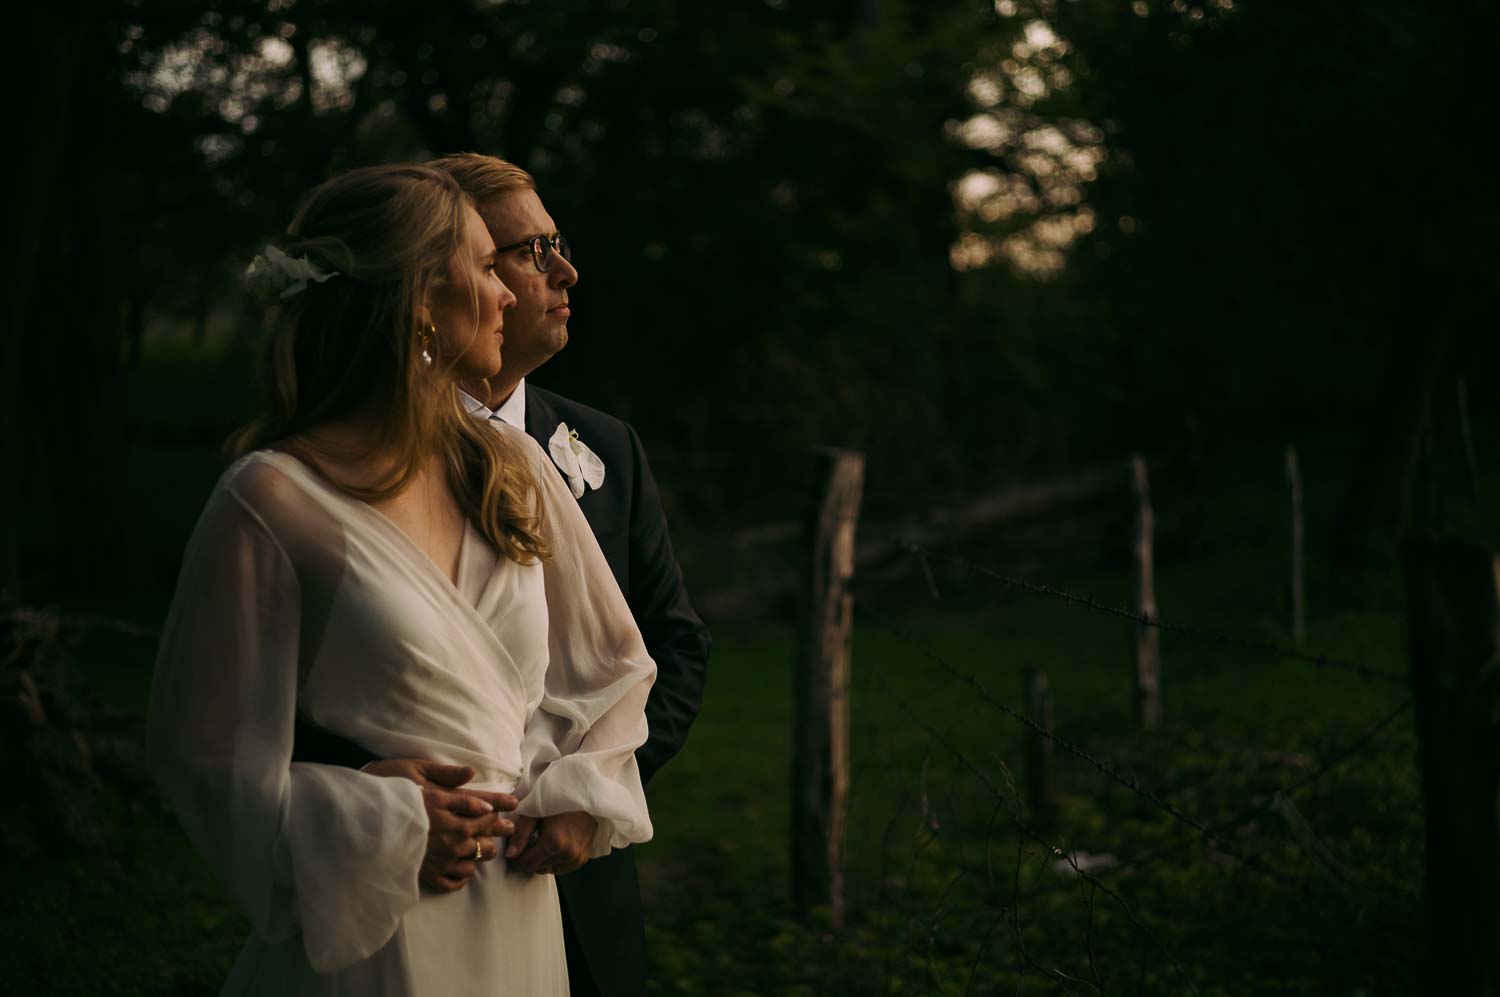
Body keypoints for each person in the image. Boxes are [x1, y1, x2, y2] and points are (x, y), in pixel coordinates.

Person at [147, 163, 656, 996]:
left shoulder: (514, 468)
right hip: (383, 921)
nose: (507, 295)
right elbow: (202, 755)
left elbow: (617, 666)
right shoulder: (271, 500)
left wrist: (569, 787)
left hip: (520, 917)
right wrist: (369, 812)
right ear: (423, 297)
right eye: (489, 268)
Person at [296, 152, 713, 997]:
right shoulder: (334, 471)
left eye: (556, 244)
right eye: (524, 252)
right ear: (438, 279)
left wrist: (587, 795)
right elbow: (308, 674)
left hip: (580, 882)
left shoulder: (605, 448)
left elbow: (671, 641)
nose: (565, 270)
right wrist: (370, 787)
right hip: (412, 872)